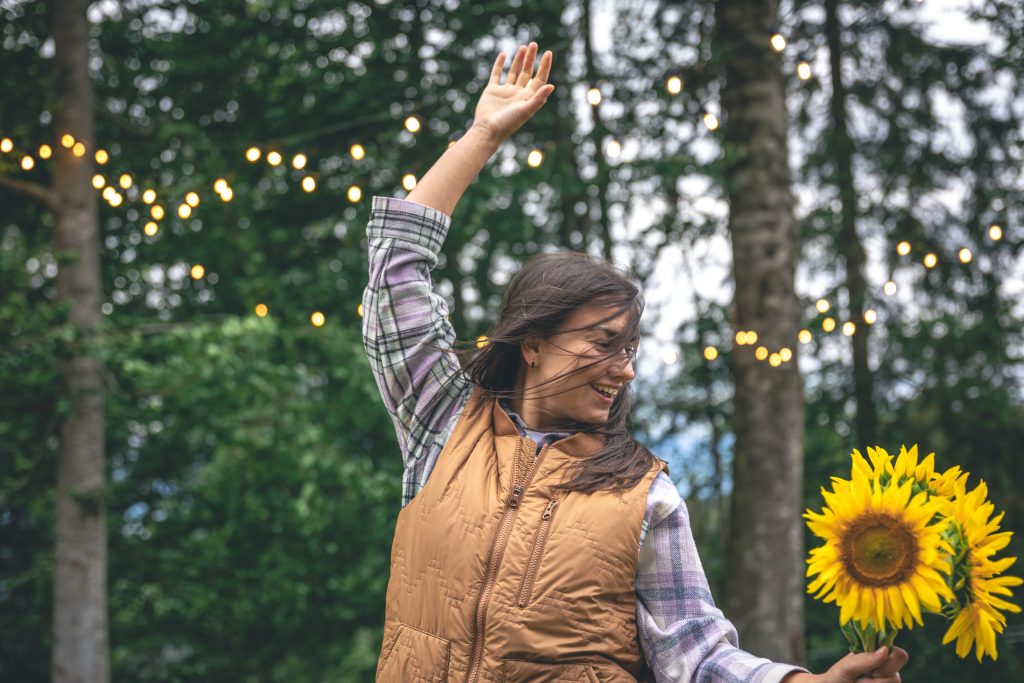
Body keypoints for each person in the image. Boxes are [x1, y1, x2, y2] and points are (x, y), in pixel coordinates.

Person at [362, 41, 909, 683]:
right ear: (531, 344)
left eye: (629, 351)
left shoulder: (643, 491)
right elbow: (396, 259)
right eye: (600, 344)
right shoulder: (444, 425)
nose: (623, 370)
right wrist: (481, 134)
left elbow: (698, 653)